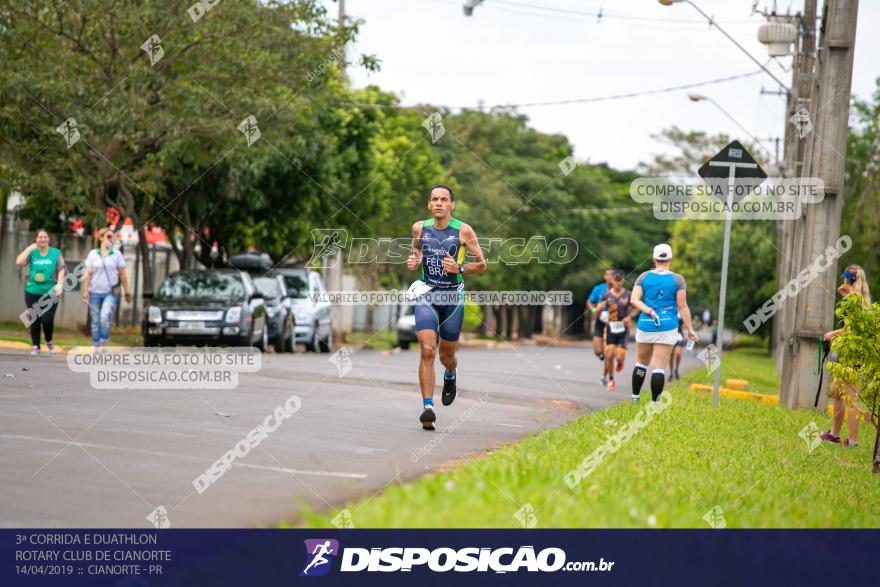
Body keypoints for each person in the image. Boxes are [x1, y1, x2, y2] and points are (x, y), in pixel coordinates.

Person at [406, 185, 487, 430]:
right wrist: (414, 260)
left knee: (446, 356)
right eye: (434, 199)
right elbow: (417, 250)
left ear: (452, 205)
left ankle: (450, 374)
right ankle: (428, 407)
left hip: (452, 298)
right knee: (428, 350)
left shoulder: (463, 230)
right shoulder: (420, 228)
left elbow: (482, 264)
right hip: (427, 294)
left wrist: (460, 269)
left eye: (444, 199)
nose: (439, 203)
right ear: (429, 205)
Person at [629, 244, 699, 404]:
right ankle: (655, 402)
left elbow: (634, 300)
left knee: (641, 362)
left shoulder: (643, 277)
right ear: (670, 260)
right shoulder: (678, 280)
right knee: (659, 366)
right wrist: (690, 330)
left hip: (646, 324)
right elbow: (682, 306)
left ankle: (635, 398)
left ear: (654, 259)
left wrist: (649, 310)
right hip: (668, 326)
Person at [820, 265, 872, 447]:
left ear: (849, 281)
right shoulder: (856, 299)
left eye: (845, 280)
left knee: (851, 397)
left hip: (854, 356)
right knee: (836, 391)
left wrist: (832, 334)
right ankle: (834, 434)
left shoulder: (856, 300)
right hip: (849, 354)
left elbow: (851, 329)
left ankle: (852, 440)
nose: (842, 283)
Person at [16, 229, 66, 355]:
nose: (43, 239)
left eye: (45, 237)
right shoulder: (33, 252)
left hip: (51, 292)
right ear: (36, 239)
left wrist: (59, 284)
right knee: (34, 319)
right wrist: (29, 248)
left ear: (48, 239)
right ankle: (36, 346)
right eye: (40, 237)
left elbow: (61, 269)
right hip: (32, 290)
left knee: (47, 320)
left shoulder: (55, 253)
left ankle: (49, 341)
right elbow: (19, 262)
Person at [81, 228, 132, 350]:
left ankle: (103, 344)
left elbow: (123, 274)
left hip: (110, 293)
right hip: (94, 293)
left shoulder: (117, 254)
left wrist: (127, 291)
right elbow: (88, 273)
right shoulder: (93, 254)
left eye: (113, 237)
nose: (111, 239)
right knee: (95, 321)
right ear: (101, 238)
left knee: (104, 317)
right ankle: (96, 344)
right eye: (109, 236)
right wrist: (85, 291)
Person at [594, 270, 632, 392]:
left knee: (619, 357)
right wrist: (599, 311)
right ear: (613, 281)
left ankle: (620, 361)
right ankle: (611, 380)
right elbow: (598, 309)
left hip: (623, 329)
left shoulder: (628, 295)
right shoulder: (607, 295)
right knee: (609, 355)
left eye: (620, 281)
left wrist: (629, 317)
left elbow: (636, 308)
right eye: (616, 281)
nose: (618, 284)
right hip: (611, 327)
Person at [586, 268, 614, 383]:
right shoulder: (598, 288)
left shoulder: (618, 290)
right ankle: (601, 354)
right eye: (607, 274)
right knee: (598, 351)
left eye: (612, 275)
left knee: (609, 352)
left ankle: (605, 376)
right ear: (605, 277)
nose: (610, 277)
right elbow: (589, 301)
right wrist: (594, 311)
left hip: (612, 322)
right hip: (600, 319)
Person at [669, 311, 684, 381]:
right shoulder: (670, 307)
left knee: (678, 353)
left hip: (679, 335)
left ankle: (676, 369)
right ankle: (671, 372)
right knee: (671, 355)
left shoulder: (683, 310)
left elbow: (685, 323)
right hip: (670, 335)